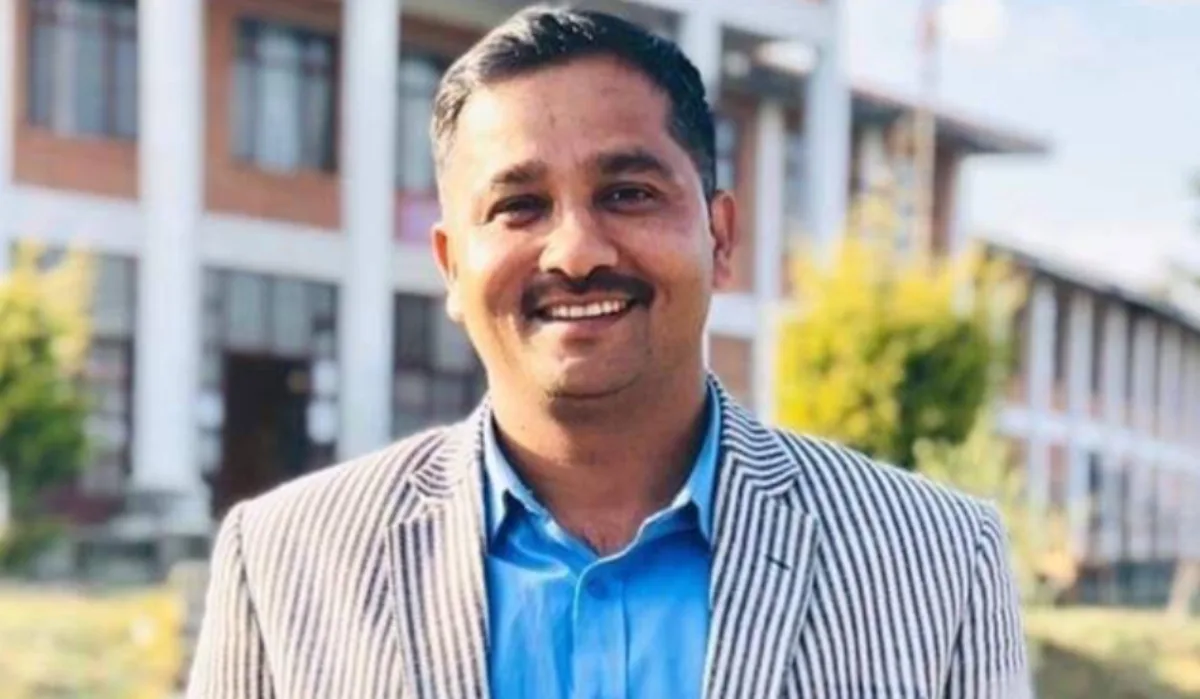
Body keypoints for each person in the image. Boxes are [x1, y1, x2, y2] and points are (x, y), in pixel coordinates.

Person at [187, 6, 1031, 698]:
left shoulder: (938, 560)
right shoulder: (286, 561)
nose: (576, 252)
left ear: (720, 237)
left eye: (627, 193)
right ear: (450, 266)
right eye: (519, 206)